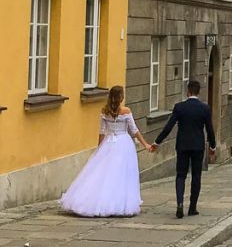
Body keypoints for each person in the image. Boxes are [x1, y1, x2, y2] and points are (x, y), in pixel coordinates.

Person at [59, 85, 154, 217]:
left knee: (104, 172)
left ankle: (96, 201)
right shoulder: (126, 111)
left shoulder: (105, 111)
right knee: (123, 174)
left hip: (108, 143)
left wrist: (99, 149)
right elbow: (134, 130)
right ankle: (119, 202)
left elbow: (102, 132)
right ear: (121, 97)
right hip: (124, 143)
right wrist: (145, 144)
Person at [154, 79, 217, 219]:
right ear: (198, 92)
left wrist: (157, 142)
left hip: (182, 145)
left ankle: (180, 204)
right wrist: (212, 146)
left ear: (187, 91)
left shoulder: (179, 107)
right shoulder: (204, 108)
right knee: (196, 176)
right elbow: (210, 129)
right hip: (198, 146)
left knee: (180, 175)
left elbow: (169, 126)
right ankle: (192, 207)